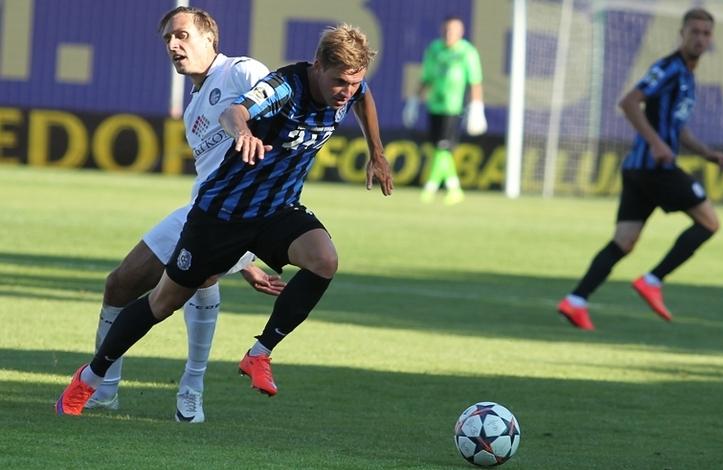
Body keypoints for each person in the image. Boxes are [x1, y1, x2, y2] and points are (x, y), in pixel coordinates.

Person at [56, 23, 393, 416]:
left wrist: (377, 152)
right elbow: (234, 112)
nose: (346, 92)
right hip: (221, 215)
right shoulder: (284, 87)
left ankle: (259, 353)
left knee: (324, 260)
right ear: (318, 65)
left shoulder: (349, 89)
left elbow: (365, 98)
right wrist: (243, 132)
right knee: (163, 302)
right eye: (340, 82)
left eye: (354, 83)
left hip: (276, 210)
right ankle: (90, 378)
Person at [82, 7, 284, 423]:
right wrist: (246, 263)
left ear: (210, 38)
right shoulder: (193, 109)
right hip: (201, 209)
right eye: (168, 40)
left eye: (182, 35)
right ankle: (103, 391)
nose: (174, 45)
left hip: (243, 213)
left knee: (201, 278)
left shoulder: (241, 72)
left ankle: (192, 389)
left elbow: (279, 117)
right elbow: (212, 176)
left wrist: (247, 242)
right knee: (119, 284)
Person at [557, 8, 723, 330]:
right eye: (694, 31)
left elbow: (677, 128)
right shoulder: (669, 67)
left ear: (711, 39)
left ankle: (576, 301)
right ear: (682, 34)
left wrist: (707, 153)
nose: (700, 38)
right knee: (709, 222)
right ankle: (653, 280)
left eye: (706, 33)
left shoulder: (688, 76)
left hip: (639, 171)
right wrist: (656, 143)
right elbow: (629, 102)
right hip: (654, 168)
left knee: (624, 241)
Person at [403, 16, 486, 205]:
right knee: (440, 149)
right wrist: (413, 102)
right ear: (442, 30)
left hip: (453, 108)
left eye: (454, 30)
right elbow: (426, 77)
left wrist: (477, 108)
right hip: (434, 106)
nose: (450, 34)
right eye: (447, 30)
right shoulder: (434, 49)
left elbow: (475, 81)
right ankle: (454, 189)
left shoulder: (467, 52)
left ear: (461, 32)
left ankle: (430, 188)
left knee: (442, 148)